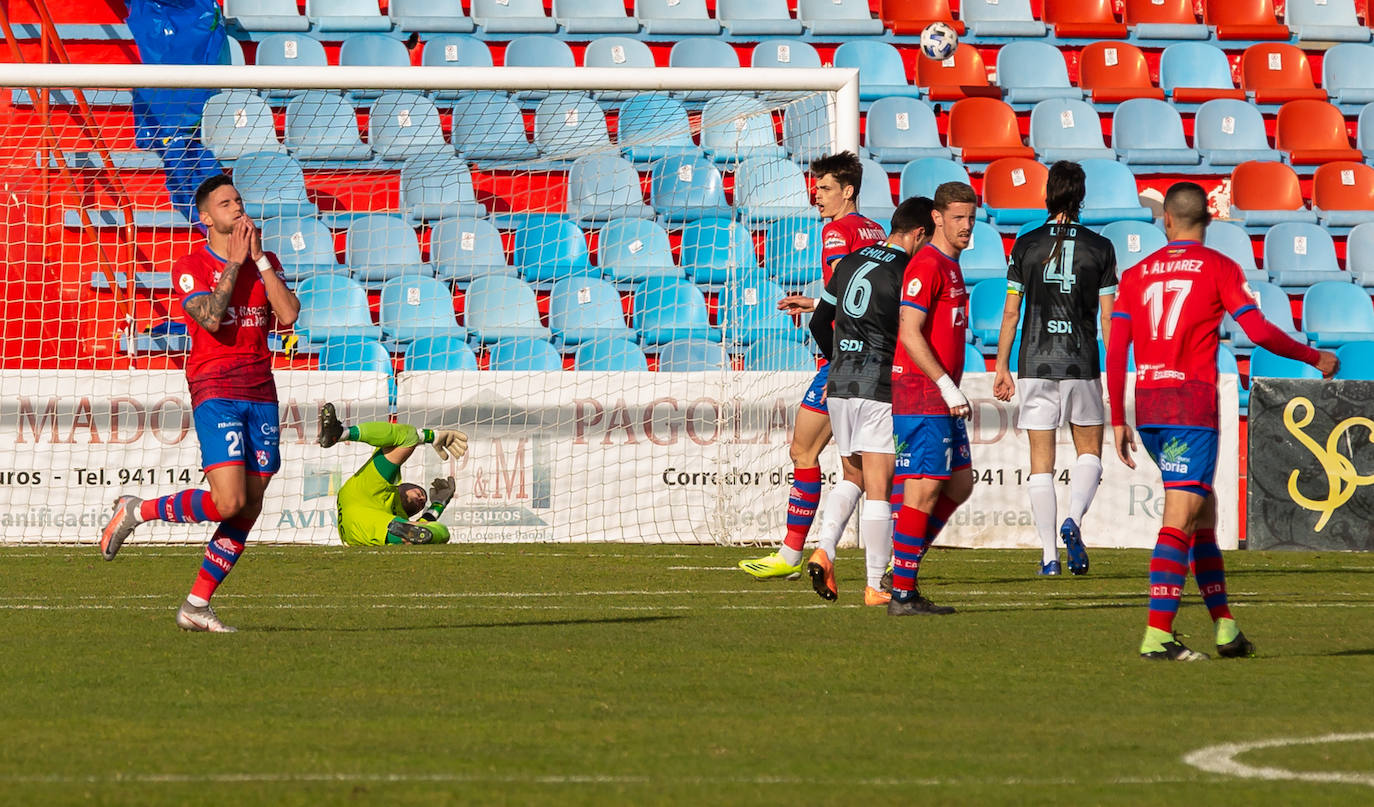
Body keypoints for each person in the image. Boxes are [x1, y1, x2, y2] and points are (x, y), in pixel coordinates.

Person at [1107, 182, 1338, 661]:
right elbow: (1256, 330)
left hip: (1149, 404)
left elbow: (1115, 348)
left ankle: (1225, 628)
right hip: (1190, 407)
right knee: (1181, 517)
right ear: (1207, 224)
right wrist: (1313, 357)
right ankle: (1157, 635)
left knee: (1202, 515)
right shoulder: (1218, 267)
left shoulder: (1135, 274)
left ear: (1165, 221)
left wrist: (1115, 416)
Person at [98, 173, 300, 633]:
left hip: (261, 390)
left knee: (249, 506)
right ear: (206, 217)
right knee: (229, 501)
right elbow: (209, 319)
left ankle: (195, 606)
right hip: (215, 387)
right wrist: (232, 263)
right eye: (226, 203)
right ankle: (138, 511)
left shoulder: (264, 261)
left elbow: (288, 315)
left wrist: (260, 261)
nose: (238, 208)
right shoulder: (190, 262)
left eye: (240, 200)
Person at [738, 150, 887, 580]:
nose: (815, 196)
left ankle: (792, 553)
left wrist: (837, 356)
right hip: (875, 353)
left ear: (848, 190)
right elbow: (864, 292)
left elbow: (848, 294)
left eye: (824, 188)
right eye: (815, 187)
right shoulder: (874, 229)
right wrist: (818, 301)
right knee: (859, 465)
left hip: (845, 356)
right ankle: (877, 557)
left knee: (805, 450)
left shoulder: (837, 231)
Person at [806, 197, 936, 606]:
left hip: (841, 383)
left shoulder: (849, 262)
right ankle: (877, 585)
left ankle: (825, 549)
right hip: (878, 385)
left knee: (853, 479)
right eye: (927, 241)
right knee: (879, 489)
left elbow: (817, 320)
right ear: (918, 234)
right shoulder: (907, 272)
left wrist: (835, 364)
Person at [993, 162, 1118, 576]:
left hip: (1034, 360)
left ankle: (1048, 557)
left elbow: (1011, 313)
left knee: (1040, 463)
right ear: (1081, 196)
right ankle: (1074, 521)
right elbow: (1107, 320)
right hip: (1081, 360)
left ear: (1048, 193)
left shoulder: (1026, 245)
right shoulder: (1100, 248)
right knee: (1089, 453)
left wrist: (1002, 366)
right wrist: (1114, 373)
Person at [887, 182, 978, 616]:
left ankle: (901, 567)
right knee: (921, 493)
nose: (966, 225)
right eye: (957, 217)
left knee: (959, 484)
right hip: (922, 391)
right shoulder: (927, 264)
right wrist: (946, 385)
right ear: (937, 219)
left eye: (971, 217)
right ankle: (902, 591)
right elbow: (909, 332)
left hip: (941, 396)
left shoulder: (952, 264)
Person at [316, 403, 468, 546]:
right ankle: (341, 433)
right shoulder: (386, 482)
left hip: (366, 529)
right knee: (408, 435)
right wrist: (433, 436)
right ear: (401, 484)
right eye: (421, 492)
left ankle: (401, 535)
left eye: (422, 503)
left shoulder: (399, 517)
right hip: (363, 498)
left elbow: (423, 528)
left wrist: (439, 503)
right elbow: (407, 437)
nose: (422, 498)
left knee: (431, 531)